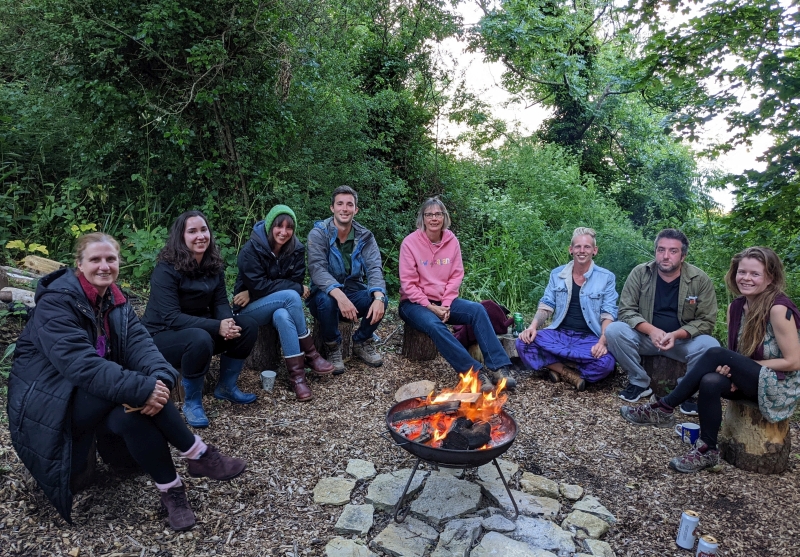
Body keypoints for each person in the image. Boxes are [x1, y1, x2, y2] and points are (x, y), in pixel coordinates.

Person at [7, 233, 247, 531]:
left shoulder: (115, 301)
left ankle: (171, 491)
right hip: (52, 400)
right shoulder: (57, 303)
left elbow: (142, 346)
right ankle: (198, 454)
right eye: (95, 259)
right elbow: (80, 365)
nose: (104, 266)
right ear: (79, 265)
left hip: (97, 393)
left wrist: (159, 380)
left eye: (110, 259)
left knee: (132, 416)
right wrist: (143, 388)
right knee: (137, 391)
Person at [620, 247, 800, 473]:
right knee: (710, 381)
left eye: (755, 274)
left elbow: (794, 362)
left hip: (778, 387)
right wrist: (735, 370)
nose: (746, 278)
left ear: (770, 277)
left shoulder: (778, 309)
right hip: (752, 379)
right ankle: (708, 450)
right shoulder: (737, 307)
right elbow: (737, 355)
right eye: (741, 272)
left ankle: (664, 406)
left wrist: (741, 368)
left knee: (715, 352)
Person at [142, 211, 258, 427]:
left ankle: (226, 387)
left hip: (201, 329)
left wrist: (228, 323)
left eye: (203, 230)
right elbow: (171, 317)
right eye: (192, 231)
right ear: (181, 237)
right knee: (200, 338)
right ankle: (192, 401)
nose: (200, 236)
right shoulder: (166, 269)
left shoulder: (212, 264)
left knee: (248, 325)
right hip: (161, 336)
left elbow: (220, 303)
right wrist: (217, 326)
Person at [398, 197, 516, 392]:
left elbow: (456, 276)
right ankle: (474, 373)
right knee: (434, 325)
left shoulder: (451, 241)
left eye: (438, 214)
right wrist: (432, 307)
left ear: (444, 217)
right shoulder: (410, 243)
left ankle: (499, 367)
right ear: (422, 218)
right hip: (414, 304)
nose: (434, 218)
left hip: (445, 300)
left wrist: (445, 304)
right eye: (429, 214)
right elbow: (408, 284)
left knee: (477, 310)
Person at [605, 228, 720, 405]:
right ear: (655, 252)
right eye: (661, 250)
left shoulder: (699, 279)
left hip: (682, 342)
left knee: (711, 345)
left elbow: (706, 321)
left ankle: (686, 390)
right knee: (614, 330)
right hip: (646, 338)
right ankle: (639, 382)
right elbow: (626, 310)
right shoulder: (640, 273)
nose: (666, 256)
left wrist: (675, 335)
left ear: (683, 256)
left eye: (673, 251)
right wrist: (651, 330)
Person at [232, 205, 334, 401]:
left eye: (289, 228)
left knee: (283, 315)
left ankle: (297, 378)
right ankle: (311, 355)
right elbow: (263, 286)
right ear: (270, 226)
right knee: (292, 296)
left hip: (276, 307)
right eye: (279, 226)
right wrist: (292, 288)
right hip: (249, 310)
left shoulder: (296, 249)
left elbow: (293, 280)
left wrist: (258, 291)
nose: (284, 232)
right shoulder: (251, 250)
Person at [516, 227, 618, 391]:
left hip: (589, 338)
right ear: (571, 250)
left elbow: (608, 313)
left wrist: (602, 342)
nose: (582, 251)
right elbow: (546, 305)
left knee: (606, 363)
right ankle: (569, 373)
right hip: (560, 335)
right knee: (523, 343)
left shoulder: (606, 277)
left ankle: (556, 367)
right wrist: (532, 327)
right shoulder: (557, 274)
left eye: (587, 247)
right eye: (578, 246)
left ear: (595, 250)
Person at [306, 186, 387, 373]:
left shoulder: (365, 236)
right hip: (323, 297)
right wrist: (340, 297)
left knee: (380, 297)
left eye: (349, 204)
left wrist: (378, 297)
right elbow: (317, 270)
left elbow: (374, 268)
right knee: (327, 301)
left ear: (355, 210)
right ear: (332, 208)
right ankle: (333, 347)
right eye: (340, 204)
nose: (345, 208)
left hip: (353, 293)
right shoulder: (319, 234)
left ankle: (361, 341)